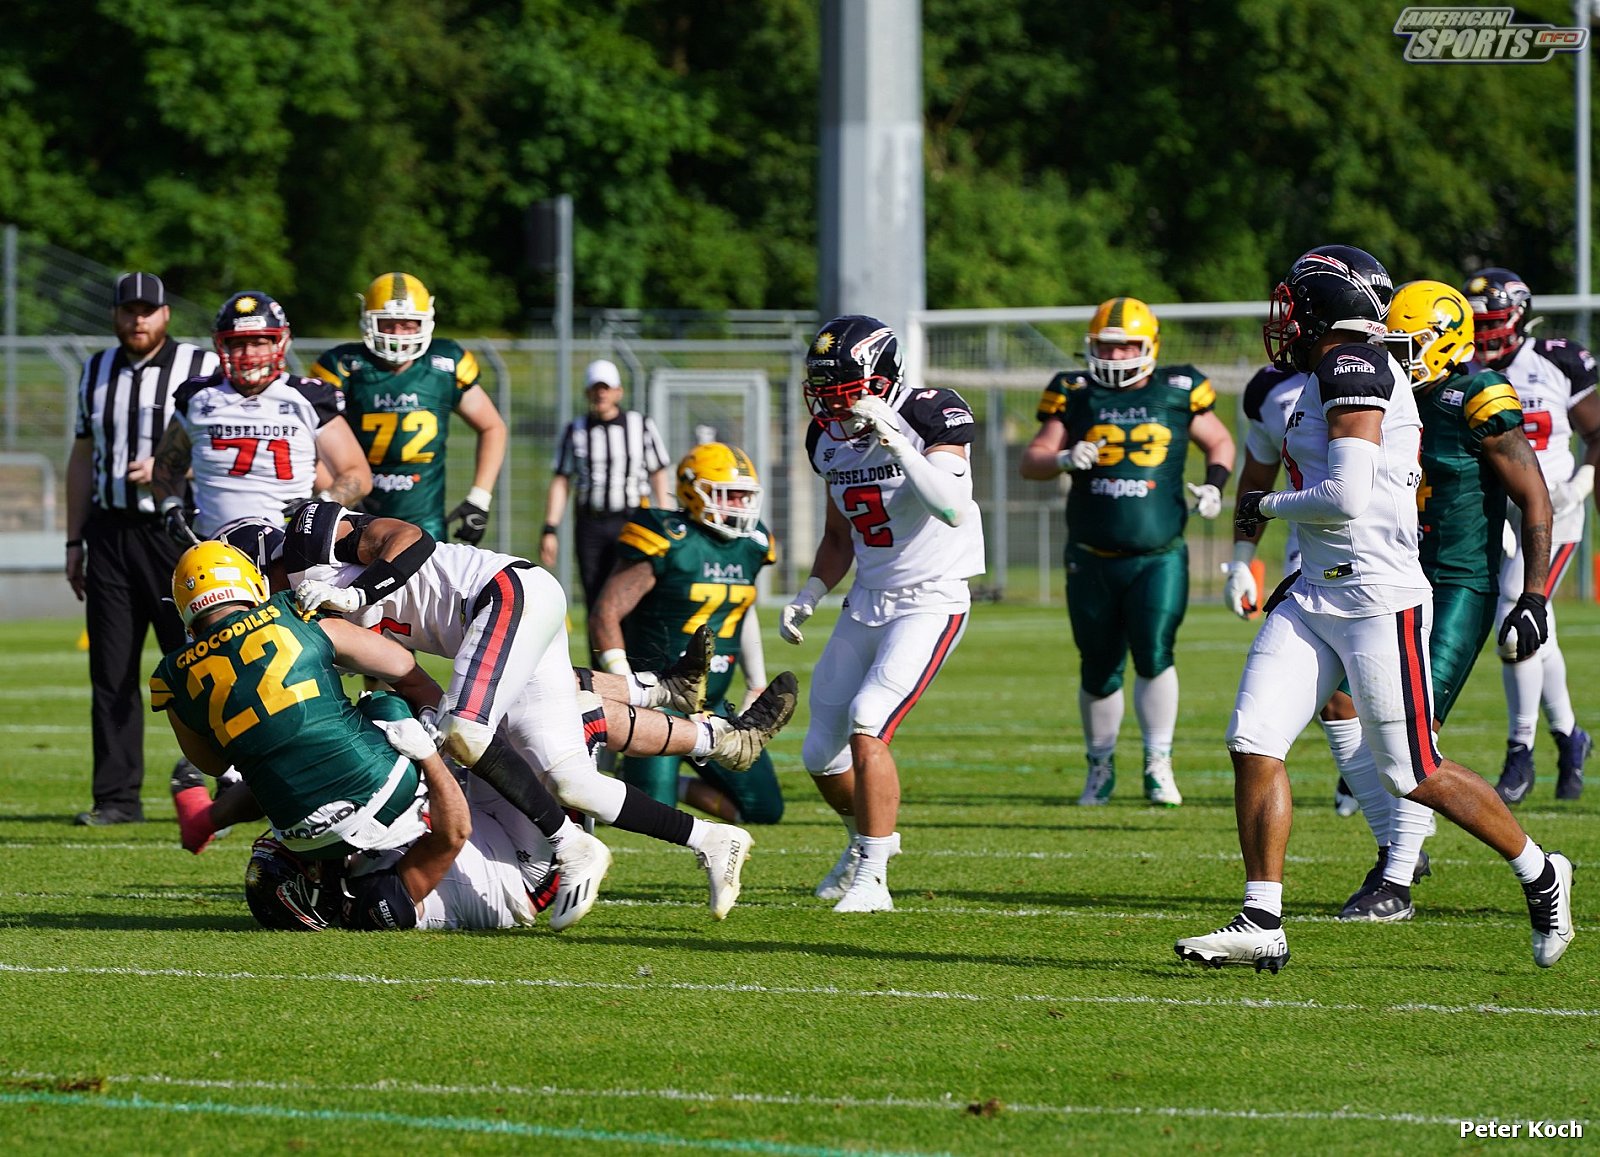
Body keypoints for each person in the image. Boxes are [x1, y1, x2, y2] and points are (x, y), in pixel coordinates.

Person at [1175, 244, 1574, 972]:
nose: (1286, 315)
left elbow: (1346, 497)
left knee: (1412, 769)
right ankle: (1262, 916)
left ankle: (1541, 869)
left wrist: (1264, 507)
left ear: (1324, 307)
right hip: (1315, 590)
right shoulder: (1327, 370)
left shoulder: (1353, 366)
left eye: (1296, 300)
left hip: (1377, 596)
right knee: (1253, 739)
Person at [279, 501, 797, 919]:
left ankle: (573, 845)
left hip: (502, 594)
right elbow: (401, 671)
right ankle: (713, 839)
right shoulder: (310, 612)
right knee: (570, 779)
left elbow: (412, 538)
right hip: (511, 611)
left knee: (465, 731)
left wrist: (358, 593)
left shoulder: (346, 545)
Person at [149, 540, 610, 931]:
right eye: (289, 859)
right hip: (522, 867)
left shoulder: (170, 676)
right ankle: (622, 713)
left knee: (293, 773)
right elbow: (453, 833)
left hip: (413, 817)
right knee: (527, 717)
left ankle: (625, 699)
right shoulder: (377, 903)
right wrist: (428, 754)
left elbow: (212, 763)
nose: (279, 846)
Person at [1318, 279, 1553, 924]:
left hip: (1456, 583)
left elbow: (1533, 495)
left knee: (1411, 737)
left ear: (1447, 342)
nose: (1394, 356)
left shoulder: (1476, 395)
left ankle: (1394, 879)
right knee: (1338, 704)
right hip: (1390, 578)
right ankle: (1399, 844)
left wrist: (1534, 594)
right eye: (1388, 343)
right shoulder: (1380, 396)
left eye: (1408, 344)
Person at [779, 315, 984, 913]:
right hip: (867, 599)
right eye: (823, 391)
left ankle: (874, 877)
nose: (831, 405)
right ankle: (862, 841)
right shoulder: (825, 439)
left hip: (932, 598)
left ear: (881, 379)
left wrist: (896, 440)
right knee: (820, 752)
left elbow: (951, 506)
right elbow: (839, 533)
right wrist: (811, 590)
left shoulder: (931, 412)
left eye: (843, 391)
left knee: (868, 718)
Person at [1019, 297, 1235, 807]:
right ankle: (1100, 766)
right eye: (1106, 347)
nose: (1116, 356)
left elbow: (1220, 443)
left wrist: (1215, 485)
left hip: (1158, 555)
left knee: (1156, 655)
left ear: (1149, 347)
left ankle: (1158, 763)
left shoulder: (1179, 387)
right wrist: (1064, 458)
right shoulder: (1074, 391)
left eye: (1126, 347)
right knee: (1098, 666)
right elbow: (1033, 460)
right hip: (1091, 554)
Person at [64, 272, 220, 826]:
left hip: (175, 534)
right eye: (128, 310)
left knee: (201, 665)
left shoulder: (200, 367)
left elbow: (223, 443)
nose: (138, 319)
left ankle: (228, 786)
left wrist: (168, 467)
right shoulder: (96, 370)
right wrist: (74, 538)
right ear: (115, 314)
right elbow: (82, 456)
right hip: (108, 533)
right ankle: (115, 798)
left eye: (147, 310)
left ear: (165, 314)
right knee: (110, 670)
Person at [590, 442, 785, 825]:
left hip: (713, 703)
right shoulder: (668, 536)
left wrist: (756, 683)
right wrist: (629, 692)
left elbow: (741, 610)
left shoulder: (751, 544)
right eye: (730, 495)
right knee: (650, 814)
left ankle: (663, 779)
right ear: (695, 493)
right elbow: (605, 614)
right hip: (657, 702)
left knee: (764, 809)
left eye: (745, 496)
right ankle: (624, 771)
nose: (741, 505)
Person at [1462, 268, 1599, 803]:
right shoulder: (1462, 367)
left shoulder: (1556, 361)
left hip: (1553, 513)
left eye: (1492, 321)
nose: (1483, 333)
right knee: (1543, 634)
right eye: (1477, 323)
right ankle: (1569, 736)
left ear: (1519, 316)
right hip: (1493, 514)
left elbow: (1598, 431)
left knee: (1516, 623)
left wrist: (1581, 483)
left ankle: (1520, 751)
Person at [1225, 364, 1365, 819]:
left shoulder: (1383, 372)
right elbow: (1256, 476)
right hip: (1309, 557)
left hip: (1386, 556)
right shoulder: (1269, 388)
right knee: (1331, 700)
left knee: (1391, 708)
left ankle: (1394, 812)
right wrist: (1242, 559)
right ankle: (1379, 807)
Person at [150, 291, 371, 542]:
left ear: (280, 343)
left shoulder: (310, 398)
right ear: (222, 345)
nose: (249, 354)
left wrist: (320, 506)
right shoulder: (197, 396)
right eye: (238, 344)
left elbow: (357, 475)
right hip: (212, 543)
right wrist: (170, 507)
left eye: (258, 343)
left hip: (287, 544)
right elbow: (166, 465)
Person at [310, 272, 507, 543]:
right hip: (356, 518)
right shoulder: (343, 366)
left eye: (408, 325)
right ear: (368, 321)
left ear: (425, 322)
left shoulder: (445, 364)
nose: (398, 335)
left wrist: (479, 498)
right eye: (388, 324)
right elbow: (309, 440)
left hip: (425, 521)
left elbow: (492, 427)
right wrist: (337, 497)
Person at [541, 358, 671, 623]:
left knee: (631, 594)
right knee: (594, 594)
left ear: (618, 392)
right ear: (587, 392)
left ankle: (630, 649)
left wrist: (666, 517)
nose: (601, 393)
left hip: (631, 519)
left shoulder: (640, 426)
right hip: (591, 523)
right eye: (595, 388)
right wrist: (550, 528)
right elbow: (562, 480)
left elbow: (658, 472)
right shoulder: (576, 430)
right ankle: (599, 650)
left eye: (606, 388)